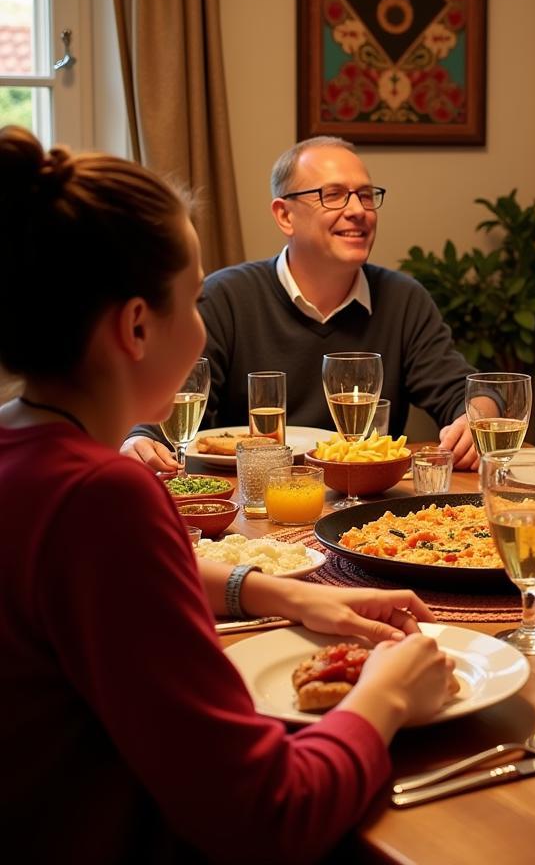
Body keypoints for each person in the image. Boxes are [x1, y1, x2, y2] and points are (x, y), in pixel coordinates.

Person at [0, 126, 456, 861]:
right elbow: (267, 813)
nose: (207, 320)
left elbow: (114, 592)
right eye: (194, 297)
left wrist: (287, 594)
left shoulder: (26, 452)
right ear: (138, 327)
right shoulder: (102, 497)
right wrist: (389, 694)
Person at [121, 135, 478, 471]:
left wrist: (473, 418)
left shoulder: (403, 299)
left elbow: (467, 393)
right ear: (284, 215)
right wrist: (141, 437)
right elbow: (168, 399)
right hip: (248, 508)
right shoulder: (226, 298)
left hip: (363, 506)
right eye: (334, 195)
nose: (358, 210)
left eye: (366, 195)